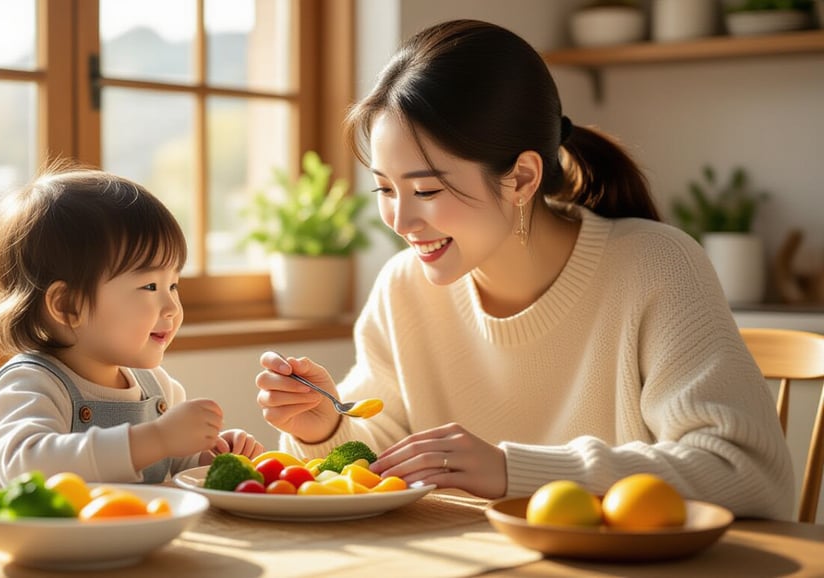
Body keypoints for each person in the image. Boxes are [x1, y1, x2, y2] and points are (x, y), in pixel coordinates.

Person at [255, 19, 794, 520]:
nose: (400, 218)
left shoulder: (656, 267)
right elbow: (382, 456)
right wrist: (324, 425)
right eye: (384, 188)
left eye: (425, 190)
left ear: (521, 178)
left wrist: (515, 472)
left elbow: (746, 474)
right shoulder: (404, 288)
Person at [0, 163, 264, 498]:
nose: (172, 307)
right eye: (149, 286)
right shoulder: (32, 384)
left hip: (116, 539)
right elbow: (23, 464)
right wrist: (157, 437)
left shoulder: (157, 387)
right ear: (69, 305)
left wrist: (211, 456)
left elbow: (172, 466)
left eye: (173, 285)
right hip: (18, 545)